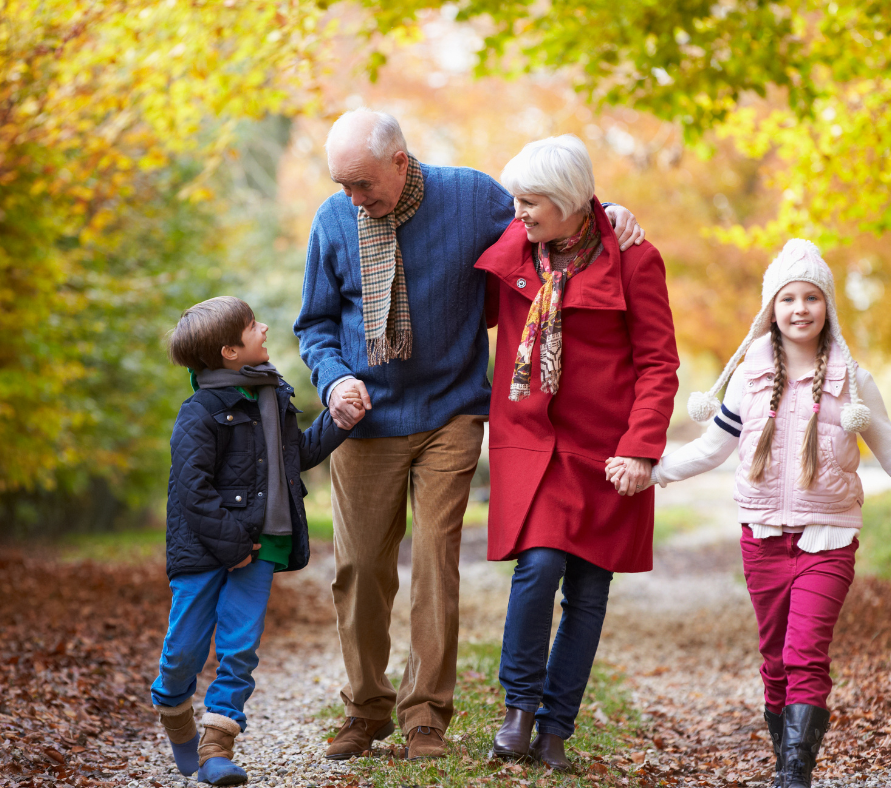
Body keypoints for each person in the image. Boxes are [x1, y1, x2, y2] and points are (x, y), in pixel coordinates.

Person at [294, 108, 646, 761]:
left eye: (363, 184)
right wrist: (334, 377)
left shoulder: (473, 197)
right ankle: (366, 708)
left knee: (434, 559)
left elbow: (553, 216)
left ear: (400, 161)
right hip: (365, 416)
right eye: (342, 184)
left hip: (452, 409)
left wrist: (610, 210)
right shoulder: (333, 221)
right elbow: (314, 324)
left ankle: (425, 715)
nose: (352, 198)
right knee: (360, 567)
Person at [614, 240, 891, 788]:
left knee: (804, 654)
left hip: (828, 538)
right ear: (771, 309)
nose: (800, 309)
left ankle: (794, 776)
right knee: (775, 660)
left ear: (827, 306)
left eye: (812, 297)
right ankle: (785, 752)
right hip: (762, 537)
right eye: (788, 298)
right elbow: (712, 448)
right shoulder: (749, 377)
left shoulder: (852, 381)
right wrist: (653, 469)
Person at [475, 135, 679, 772]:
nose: (519, 212)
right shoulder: (516, 245)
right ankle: (519, 712)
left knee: (589, 591)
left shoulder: (635, 259)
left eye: (533, 201)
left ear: (568, 204)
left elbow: (657, 364)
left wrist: (642, 449)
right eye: (517, 199)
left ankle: (556, 731)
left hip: (607, 451)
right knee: (537, 568)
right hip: (532, 444)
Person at [151, 296, 358, 786]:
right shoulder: (200, 412)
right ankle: (175, 712)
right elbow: (192, 489)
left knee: (240, 646)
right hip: (206, 549)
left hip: (263, 545)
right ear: (229, 351)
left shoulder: (272, 397)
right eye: (251, 325)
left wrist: (338, 421)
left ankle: (217, 744)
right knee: (184, 648)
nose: (264, 327)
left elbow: (293, 458)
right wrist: (233, 544)